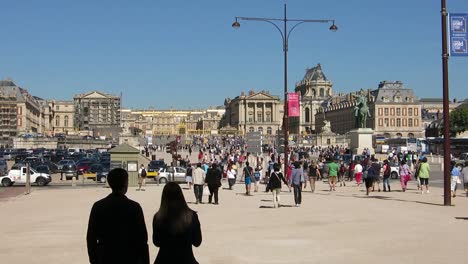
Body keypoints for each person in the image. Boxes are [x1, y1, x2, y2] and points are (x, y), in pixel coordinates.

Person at [87, 168, 149, 264]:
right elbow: (142, 239)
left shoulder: (98, 206)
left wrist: (94, 260)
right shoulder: (134, 207)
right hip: (129, 256)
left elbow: (91, 238)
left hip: (105, 256)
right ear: (125, 184)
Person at [152, 182, 202, 264]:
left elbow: (156, 242)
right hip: (186, 259)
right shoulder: (191, 216)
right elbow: (197, 242)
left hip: (164, 259)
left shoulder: (158, 217)